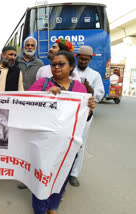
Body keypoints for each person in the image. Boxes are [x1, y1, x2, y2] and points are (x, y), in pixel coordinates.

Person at [29, 51, 95, 214]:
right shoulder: (42, 84)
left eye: (61, 64)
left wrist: (90, 109)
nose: (56, 67)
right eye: (53, 64)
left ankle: (53, 206)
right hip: (43, 143)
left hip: (68, 144)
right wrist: (44, 96)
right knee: (41, 177)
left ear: (71, 66)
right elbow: (26, 108)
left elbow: (83, 119)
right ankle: (40, 209)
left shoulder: (79, 89)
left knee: (61, 176)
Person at [69, 46, 105, 187]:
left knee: (80, 144)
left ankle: (74, 174)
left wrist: (91, 92)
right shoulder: (70, 71)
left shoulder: (95, 75)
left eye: (86, 59)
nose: (83, 61)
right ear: (77, 57)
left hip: (86, 115)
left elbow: (100, 95)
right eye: (81, 58)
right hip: (69, 114)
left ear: (90, 59)